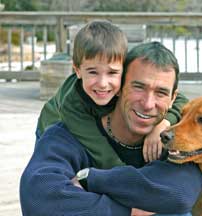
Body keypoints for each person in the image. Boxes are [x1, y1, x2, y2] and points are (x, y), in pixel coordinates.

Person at [20, 42, 202, 215]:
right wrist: (127, 211)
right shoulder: (68, 133)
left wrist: (89, 179)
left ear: (173, 99)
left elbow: (180, 194)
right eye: (138, 87)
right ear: (118, 87)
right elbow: (38, 196)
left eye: (161, 93)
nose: (148, 104)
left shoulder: (175, 140)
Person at [36, 20, 188, 164]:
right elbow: (102, 152)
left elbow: (180, 100)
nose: (103, 84)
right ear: (77, 71)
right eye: (93, 72)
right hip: (52, 124)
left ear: (123, 70)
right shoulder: (73, 106)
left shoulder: (121, 82)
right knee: (55, 152)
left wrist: (164, 123)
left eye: (112, 72)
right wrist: (126, 178)